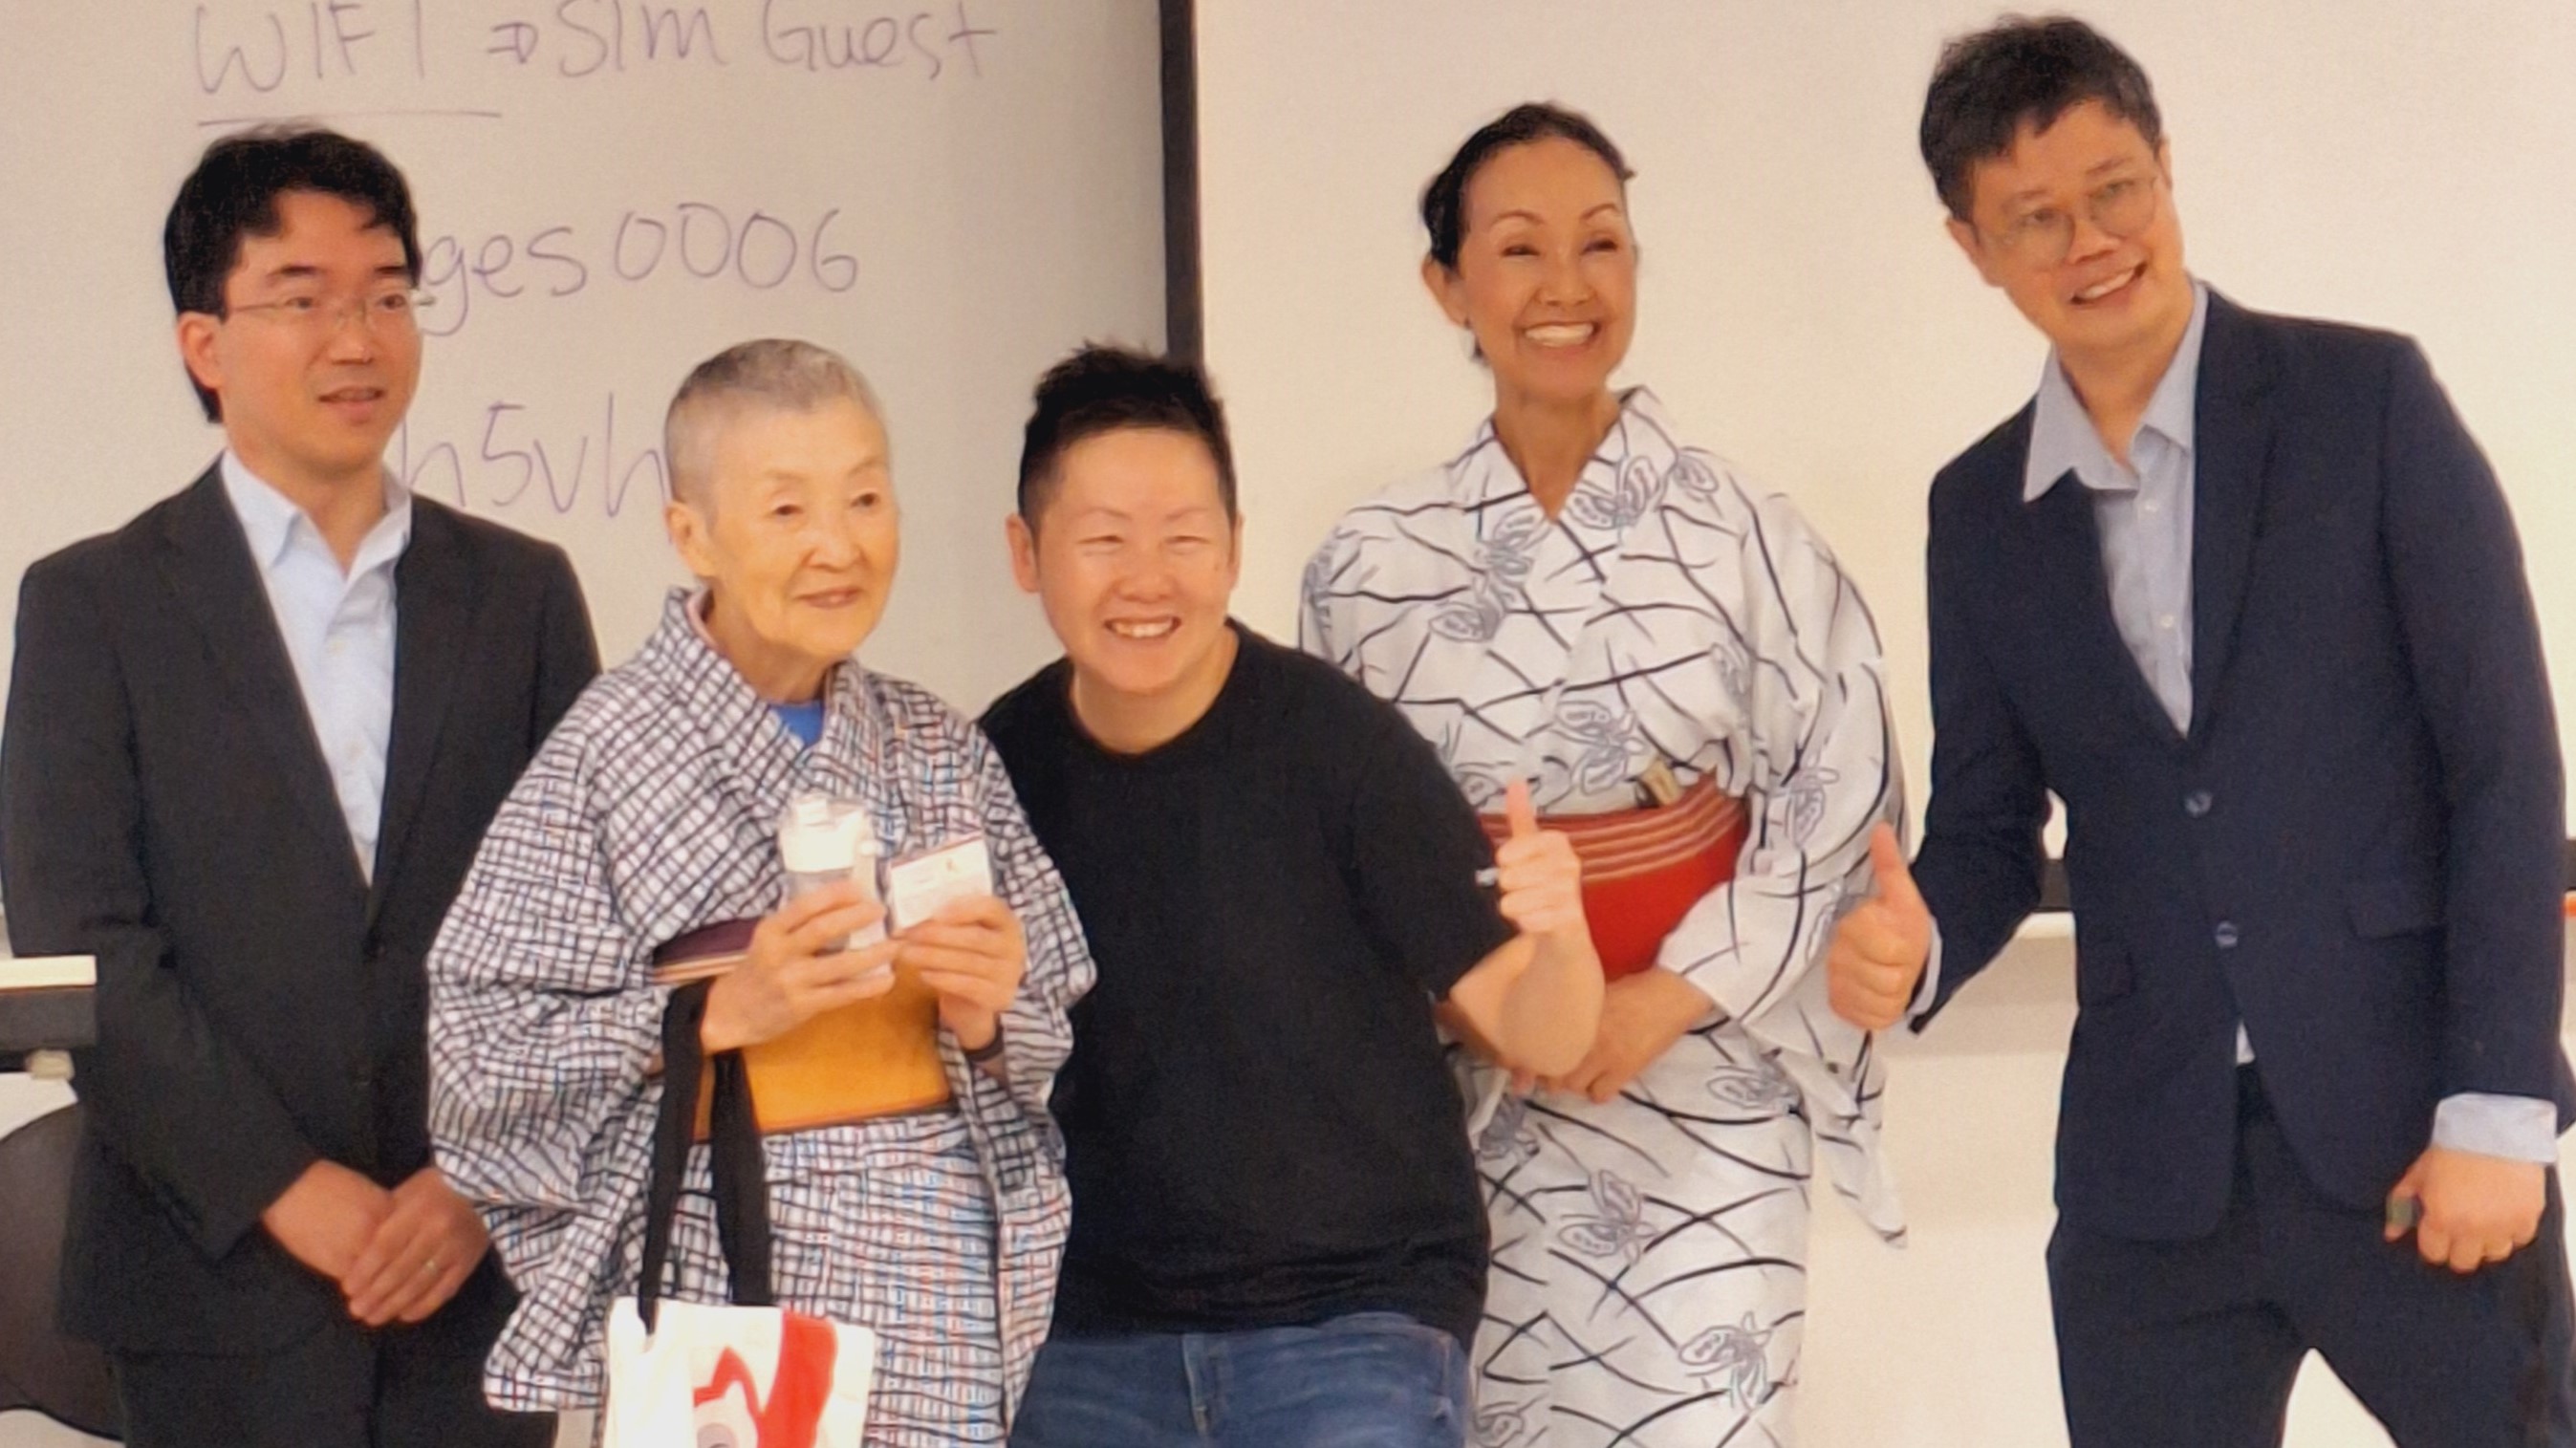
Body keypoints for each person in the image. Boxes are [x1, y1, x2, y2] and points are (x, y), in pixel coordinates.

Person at [1825, 18, 2575, 1446]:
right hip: (2145, 1166)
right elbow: (1992, 824)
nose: (2087, 240)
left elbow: (2500, 762)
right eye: (2030, 218)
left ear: (2163, 167)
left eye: (2113, 187)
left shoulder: (2364, 403)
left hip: (2410, 1131)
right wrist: (1916, 940)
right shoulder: (1977, 509)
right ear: (1968, 247)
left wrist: (2493, 1105)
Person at [1300, 103, 1905, 1447]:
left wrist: (1657, 995)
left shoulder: (1748, 529)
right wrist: (1499, 1012)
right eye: (1517, 250)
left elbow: (1839, 786)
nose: (1564, 287)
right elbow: (1342, 846)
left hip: (1703, 1069)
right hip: (1482, 1089)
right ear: (1446, 285)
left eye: (1600, 244)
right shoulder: (1365, 563)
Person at [0, 125, 595, 1447]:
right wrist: (285, 1185)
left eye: (388, 293)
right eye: (305, 296)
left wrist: (478, 1181)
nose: (357, 336)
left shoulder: (521, 593)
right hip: (212, 1279)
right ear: (203, 343)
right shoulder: (94, 602)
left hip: (474, 1273)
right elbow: (82, 944)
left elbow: (582, 927)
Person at [425, 339, 1093, 1444]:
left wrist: (984, 1016)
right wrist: (708, 1017)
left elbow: (1046, 1024)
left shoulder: (938, 747)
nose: (841, 546)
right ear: (692, 534)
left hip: (934, 1276)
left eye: (868, 498)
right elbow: (477, 1061)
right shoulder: (606, 754)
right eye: (788, 511)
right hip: (720, 1278)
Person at [979, 344, 1603, 1448]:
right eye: (1104, 540)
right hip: (1083, 1339)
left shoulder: (1337, 747)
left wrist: (1560, 940)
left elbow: (1539, 1030)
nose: (1146, 578)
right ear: (1025, 556)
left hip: (1353, 1321)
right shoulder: (990, 771)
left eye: (1183, 538)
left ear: (1231, 551)